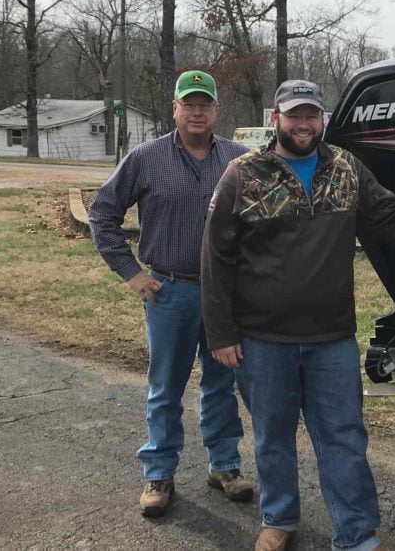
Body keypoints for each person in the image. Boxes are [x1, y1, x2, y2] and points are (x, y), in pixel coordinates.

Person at [201, 80, 395, 551]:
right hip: (262, 339)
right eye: (294, 115)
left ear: (322, 119)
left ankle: (356, 536)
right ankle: (279, 519)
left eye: (311, 115)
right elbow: (216, 257)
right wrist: (221, 332)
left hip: (330, 339)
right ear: (277, 119)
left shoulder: (346, 167)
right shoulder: (244, 174)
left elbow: (393, 218)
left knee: (344, 439)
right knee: (273, 437)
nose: (303, 124)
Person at [88, 70, 254, 517]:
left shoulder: (240, 160)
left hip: (226, 296)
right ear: (175, 109)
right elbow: (101, 214)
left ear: (216, 110)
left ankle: (224, 466)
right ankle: (158, 473)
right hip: (170, 291)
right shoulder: (145, 158)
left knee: (223, 383)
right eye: (189, 104)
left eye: (205, 104)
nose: (197, 112)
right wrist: (130, 272)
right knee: (166, 387)